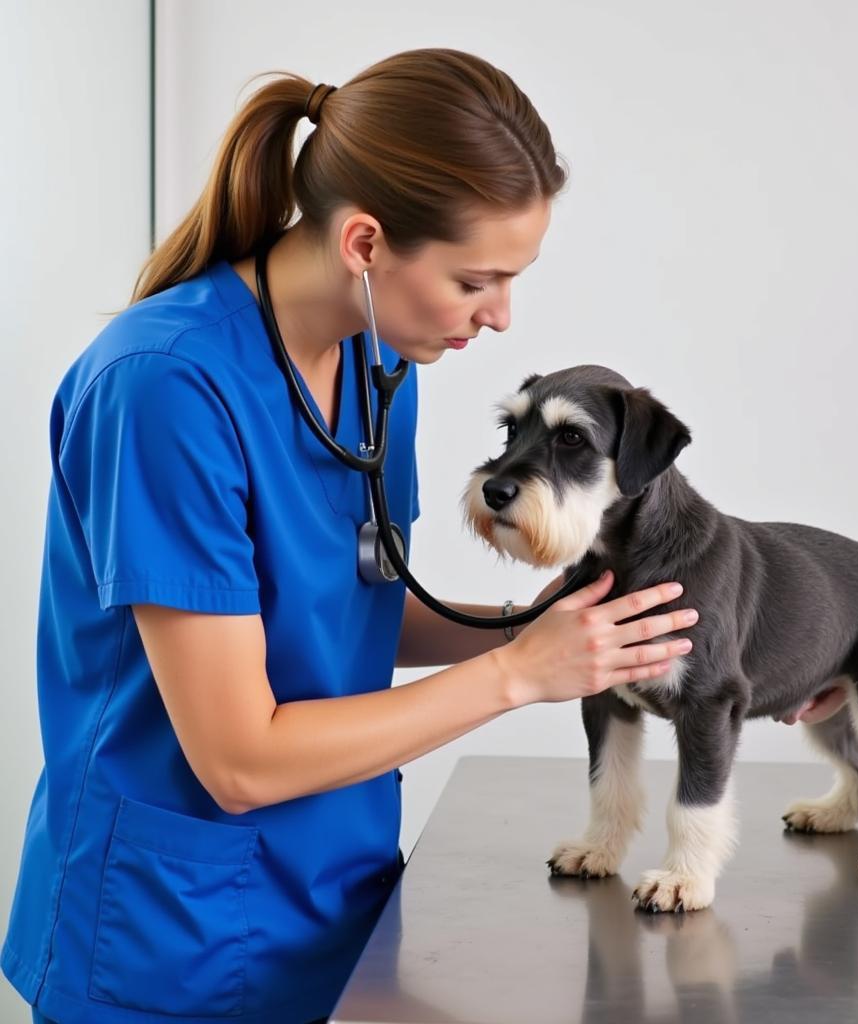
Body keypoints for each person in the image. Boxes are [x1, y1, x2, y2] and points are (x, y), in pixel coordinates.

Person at [1, 49, 701, 1024]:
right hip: (171, 939)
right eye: (476, 281)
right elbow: (238, 757)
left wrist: (539, 627)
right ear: (366, 244)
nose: (499, 318)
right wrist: (516, 675)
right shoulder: (162, 386)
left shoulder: (376, 367)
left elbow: (352, 600)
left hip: (335, 898)